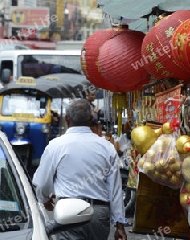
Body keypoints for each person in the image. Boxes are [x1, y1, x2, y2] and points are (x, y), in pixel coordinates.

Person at [32, 99, 127, 240]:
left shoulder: (56, 146)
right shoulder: (106, 147)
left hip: (69, 212)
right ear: (90, 119)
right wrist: (120, 225)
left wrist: (44, 199)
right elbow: (115, 189)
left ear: (66, 118)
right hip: (99, 215)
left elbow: (42, 183)